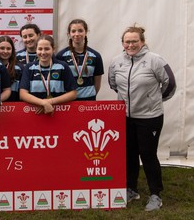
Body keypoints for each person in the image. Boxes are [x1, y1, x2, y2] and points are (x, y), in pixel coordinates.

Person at [108, 25, 176, 212]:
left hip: (150, 117)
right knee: (129, 154)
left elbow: (170, 84)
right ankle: (131, 189)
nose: (130, 44)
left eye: (134, 41)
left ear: (142, 42)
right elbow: (113, 83)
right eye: (127, 41)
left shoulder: (155, 60)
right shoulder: (116, 61)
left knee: (148, 155)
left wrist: (154, 100)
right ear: (122, 43)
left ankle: (156, 194)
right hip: (125, 117)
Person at [20, 35, 77, 115]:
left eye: (47, 49)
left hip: (59, 113)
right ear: (36, 50)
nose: (43, 52)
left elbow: (73, 93)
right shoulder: (29, 67)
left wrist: (49, 102)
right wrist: (42, 103)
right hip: (34, 113)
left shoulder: (62, 66)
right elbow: (23, 94)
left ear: (53, 49)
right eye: (40, 49)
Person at [56, 19, 104, 100]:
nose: (77, 34)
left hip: (89, 100)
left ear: (86, 32)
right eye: (73, 31)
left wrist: (90, 96)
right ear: (69, 34)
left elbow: (97, 84)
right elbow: (58, 82)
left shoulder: (96, 56)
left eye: (80, 31)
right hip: (68, 101)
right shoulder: (61, 56)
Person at [0, 35, 23, 101]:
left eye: (8, 48)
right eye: (2, 48)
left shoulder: (19, 68)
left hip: (14, 107)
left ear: (12, 50)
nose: (5, 51)